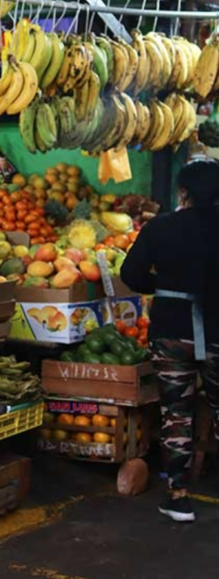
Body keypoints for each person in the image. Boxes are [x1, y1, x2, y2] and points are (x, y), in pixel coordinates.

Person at [121, 158, 219, 523]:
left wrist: (161, 288)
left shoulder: (161, 227)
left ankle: (178, 498)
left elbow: (130, 273)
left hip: (171, 331)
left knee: (176, 413)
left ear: (183, 192)